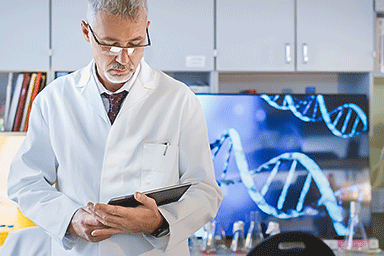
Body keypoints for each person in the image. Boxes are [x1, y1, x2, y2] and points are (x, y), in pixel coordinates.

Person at [7, 0, 223, 255]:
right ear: (87, 32)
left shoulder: (179, 99)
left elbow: (205, 190)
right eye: (110, 44)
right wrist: (71, 219)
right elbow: (26, 182)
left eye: (135, 44)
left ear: (147, 29)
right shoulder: (54, 99)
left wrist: (159, 222)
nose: (123, 58)